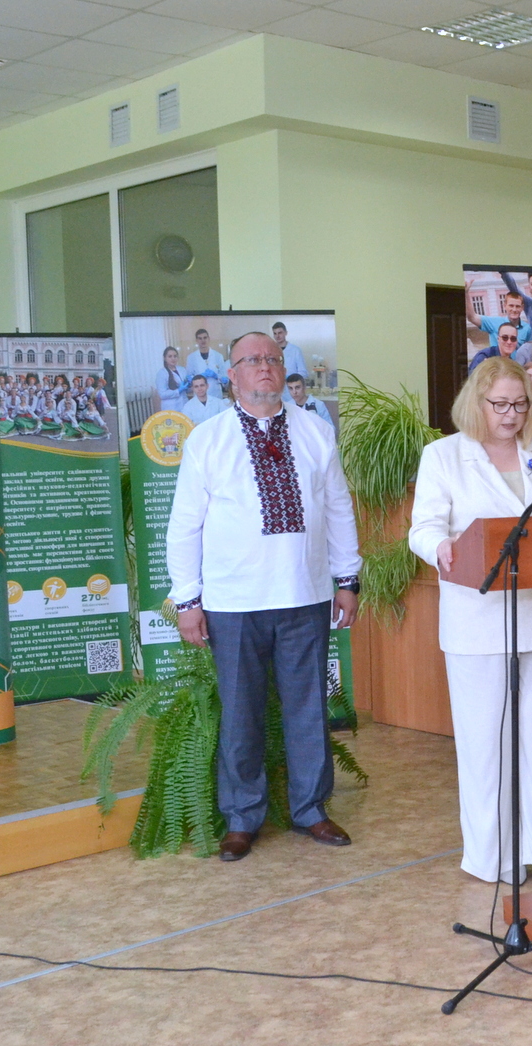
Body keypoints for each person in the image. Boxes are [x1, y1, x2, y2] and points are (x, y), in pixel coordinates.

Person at [165, 331, 361, 862]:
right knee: (241, 715)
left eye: (272, 359)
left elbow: (339, 509)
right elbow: (183, 527)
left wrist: (347, 579)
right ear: (232, 375)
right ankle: (242, 817)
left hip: (305, 595)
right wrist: (188, 601)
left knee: (307, 709)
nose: (265, 367)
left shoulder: (317, 431)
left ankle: (311, 810)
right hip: (233, 603)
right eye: (252, 360)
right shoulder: (208, 440)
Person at [407, 357, 532, 885]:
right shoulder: (444, 455)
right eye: (500, 404)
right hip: (478, 620)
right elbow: (423, 527)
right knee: (487, 745)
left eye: (520, 404)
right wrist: (440, 546)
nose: (511, 414)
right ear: (477, 403)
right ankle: (496, 857)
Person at [466, 276, 531, 350]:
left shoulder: (527, 329)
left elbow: (529, 351)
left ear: (522, 308)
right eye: (511, 306)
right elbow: (472, 317)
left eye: (517, 306)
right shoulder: (493, 322)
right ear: (505, 306)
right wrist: (466, 292)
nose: (514, 309)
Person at [186, 328, 229, 397]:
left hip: (215, 394)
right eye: (200, 338)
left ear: (209, 339)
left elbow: (224, 377)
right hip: (199, 395)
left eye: (205, 338)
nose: (203, 340)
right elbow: (189, 377)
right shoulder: (191, 357)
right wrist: (198, 377)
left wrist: (216, 376)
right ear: (196, 340)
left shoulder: (218, 356)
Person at [155, 346, 185, 413]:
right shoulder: (161, 373)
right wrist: (178, 391)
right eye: (170, 356)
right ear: (165, 358)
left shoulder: (182, 370)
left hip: (184, 404)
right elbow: (162, 394)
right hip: (170, 407)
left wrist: (189, 384)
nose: (173, 358)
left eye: (175, 356)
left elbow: (187, 390)